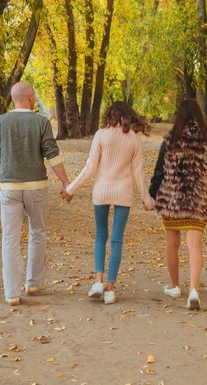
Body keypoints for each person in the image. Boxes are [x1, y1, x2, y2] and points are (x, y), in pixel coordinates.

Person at [61, 102, 155, 305]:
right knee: (117, 240)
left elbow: (90, 167)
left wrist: (70, 189)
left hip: (101, 191)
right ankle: (110, 289)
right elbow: (138, 174)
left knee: (100, 235)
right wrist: (147, 199)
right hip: (123, 192)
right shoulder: (134, 140)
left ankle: (97, 281)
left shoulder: (101, 135)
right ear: (129, 116)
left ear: (109, 115)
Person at [0, 81, 71, 306]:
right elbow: (52, 154)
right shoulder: (41, 122)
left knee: (10, 239)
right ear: (31, 97)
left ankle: (12, 292)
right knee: (37, 232)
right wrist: (66, 182)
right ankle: (33, 282)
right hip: (36, 187)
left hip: (9, 188)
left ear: (13, 98)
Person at [149, 99, 207, 310]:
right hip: (198, 200)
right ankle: (194, 291)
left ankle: (174, 285)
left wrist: (153, 194)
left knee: (173, 243)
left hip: (172, 199)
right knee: (194, 246)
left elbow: (159, 171)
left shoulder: (170, 140)